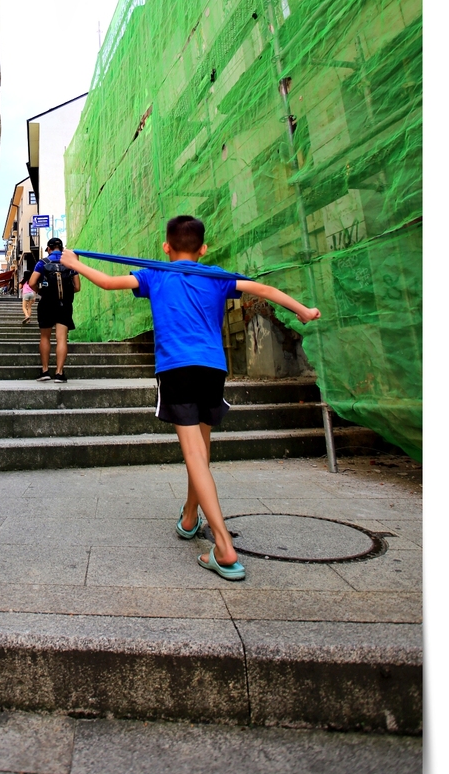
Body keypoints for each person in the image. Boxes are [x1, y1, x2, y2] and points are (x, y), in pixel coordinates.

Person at [60, 216, 320, 581]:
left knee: (195, 454)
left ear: (166, 247)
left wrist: (74, 264)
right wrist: (303, 311)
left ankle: (224, 546)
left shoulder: (155, 274)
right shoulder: (215, 275)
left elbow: (105, 282)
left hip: (177, 369)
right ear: (204, 248)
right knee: (202, 448)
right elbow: (264, 291)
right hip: (213, 368)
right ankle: (188, 516)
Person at [28, 237, 81, 382]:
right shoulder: (71, 264)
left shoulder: (42, 263)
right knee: (61, 338)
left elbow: (32, 282)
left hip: (46, 304)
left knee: (45, 337)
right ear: (62, 248)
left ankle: (45, 371)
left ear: (49, 249)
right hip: (64, 304)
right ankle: (59, 373)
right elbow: (77, 287)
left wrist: (40, 292)